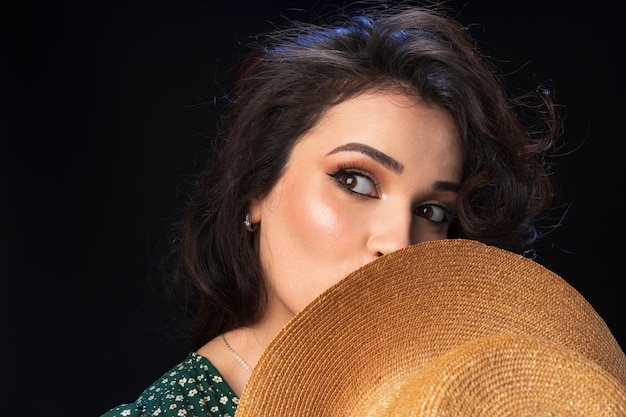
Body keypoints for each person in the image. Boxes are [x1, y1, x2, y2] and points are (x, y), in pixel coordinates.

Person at [100, 1, 561, 416]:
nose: (399, 245)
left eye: (431, 212)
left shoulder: (450, 395)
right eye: (354, 181)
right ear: (255, 191)